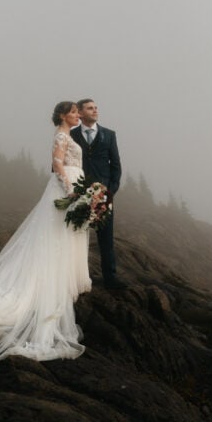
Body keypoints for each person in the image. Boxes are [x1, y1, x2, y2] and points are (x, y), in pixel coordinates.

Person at [0, 101, 91, 364]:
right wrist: (71, 189)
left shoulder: (69, 135)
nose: (77, 115)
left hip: (75, 185)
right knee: (55, 236)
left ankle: (57, 282)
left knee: (63, 236)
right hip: (66, 186)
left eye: (76, 112)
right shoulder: (61, 135)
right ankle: (42, 292)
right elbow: (57, 164)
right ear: (62, 115)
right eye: (73, 112)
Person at [71, 98, 125, 289]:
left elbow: (116, 166)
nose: (95, 111)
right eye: (90, 108)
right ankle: (76, 277)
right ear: (80, 112)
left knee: (106, 239)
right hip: (78, 195)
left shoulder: (109, 135)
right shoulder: (71, 134)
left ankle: (110, 279)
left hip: (103, 195)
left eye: (96, 108)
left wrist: (110, 191)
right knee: (76, 237)